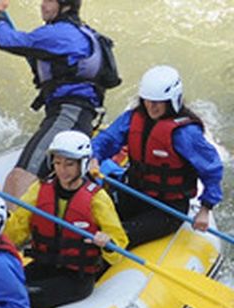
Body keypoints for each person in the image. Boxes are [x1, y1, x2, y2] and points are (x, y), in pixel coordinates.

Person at [0, 0, 116, 198]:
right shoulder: (78, 32)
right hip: (77, 118)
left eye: (49, 1)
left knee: (19, 178)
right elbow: (26, 45)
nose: (42, 5)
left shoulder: (61, 34)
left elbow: (6, 40)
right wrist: (3, 14)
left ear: (65, 5)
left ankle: (9, 218)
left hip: (66, 117)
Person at [90, 65, 224, 248]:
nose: (151, 106)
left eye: (158, 102)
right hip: (133, 192)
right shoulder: (132, 119)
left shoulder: (186, 134)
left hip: (167, 209)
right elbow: (108, 139)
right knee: (90, 220)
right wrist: (94, 157)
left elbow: (211, 169)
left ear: (172, 100)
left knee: (116, 237)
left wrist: (205, 209)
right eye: (147, 100)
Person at [4, 131, 128, 308]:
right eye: (57, 163)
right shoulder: (39, 189)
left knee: (19, 296)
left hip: (76, 278)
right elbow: (17, 229)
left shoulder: (97, 198)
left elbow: (118, 247)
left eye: (69, 164)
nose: (62, 170)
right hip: (43, 265)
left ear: (82, 164)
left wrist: (107, 243)